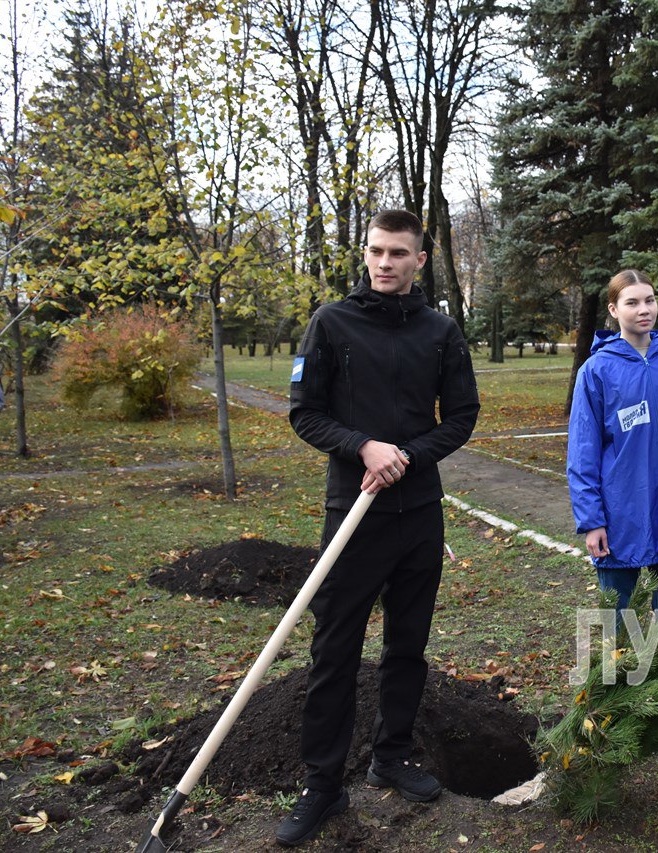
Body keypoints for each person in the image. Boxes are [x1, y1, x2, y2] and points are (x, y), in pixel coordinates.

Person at [282, 210, 479, 847]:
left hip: (418, 517)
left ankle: (391, 756)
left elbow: (462, 417)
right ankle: (322, 785)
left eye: (398, 253)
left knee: (406, 647)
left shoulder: (441, 331)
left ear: (421, 260)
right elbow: (304, 413)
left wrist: (409, 457)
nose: (385, 263)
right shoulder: (331, 324)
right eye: (376, 252)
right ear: (364, 255)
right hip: (353, 516)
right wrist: (364, 445)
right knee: (334, 652)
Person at [567, 269, 658, 614]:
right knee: (619, 625)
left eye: (649, 300)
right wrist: (592, 520)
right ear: (613, 310)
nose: (644, 309)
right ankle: (620, 672)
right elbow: (583, 454)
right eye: (632, 302)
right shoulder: (596, 370)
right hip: (620, 515)